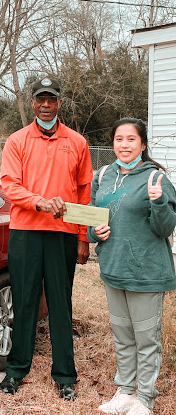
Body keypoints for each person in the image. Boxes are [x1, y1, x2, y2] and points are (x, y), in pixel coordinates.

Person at [0, 77, 93, 401]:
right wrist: (39, 201)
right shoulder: (17, 140)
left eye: (51, 99)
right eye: (41, 98)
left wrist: (83, 237)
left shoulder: (77, 142)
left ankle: (65, 376)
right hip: (25, 232)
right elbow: (9, 186)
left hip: (63, 235)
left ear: (59, 103)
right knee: (24, 301)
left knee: (59, 304)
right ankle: (16, 370)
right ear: (32, 103)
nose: (46, 104)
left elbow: (84, 193)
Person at [89, 118, 176, 415]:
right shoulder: (101, 175)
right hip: (113, 268)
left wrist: (159, 202)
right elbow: (93, 218)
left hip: (146, 272)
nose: (124, 145)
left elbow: (165, 230)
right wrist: (93, 232)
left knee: (146, 339)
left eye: (131, 139)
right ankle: (125, 392)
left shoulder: (156, 179)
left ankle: (145, 399)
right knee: (122, 335)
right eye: (118, 139)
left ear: (143, 144)